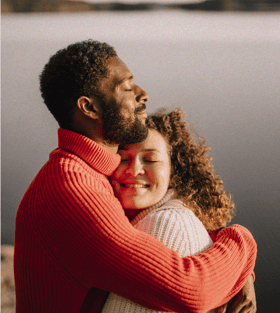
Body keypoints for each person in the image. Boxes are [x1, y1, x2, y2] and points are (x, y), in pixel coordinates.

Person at [14, 40, 257, 313]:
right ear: (90, 108)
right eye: (128, 88)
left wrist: (238, 270)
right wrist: (242, 242)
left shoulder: (91, 169)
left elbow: (126, 225)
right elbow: (192, 289)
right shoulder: (72, 190)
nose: (143, 95)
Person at [103, 108, 256, 312]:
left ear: (173, 170)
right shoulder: (120, 216)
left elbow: (197, 289)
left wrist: (243, 251)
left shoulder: (165, 223)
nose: (134, 169)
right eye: (122, 158)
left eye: (150, 160)